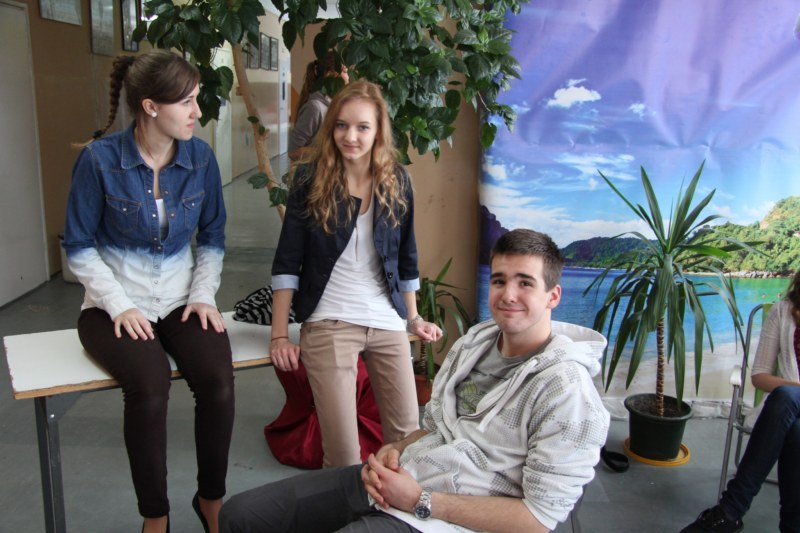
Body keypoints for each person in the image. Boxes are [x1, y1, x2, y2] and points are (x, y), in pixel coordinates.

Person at [220, 228, 611, 532]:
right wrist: (396, 447)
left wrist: (419, 500)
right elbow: (436, 427)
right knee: (240, 515)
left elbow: (538, 519)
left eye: (525, 282)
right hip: (404, 476)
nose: (508, 294)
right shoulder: (475, 344)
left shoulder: (568, 393)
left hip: (446, 515)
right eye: (499, 280)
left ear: (553, 296)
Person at [62, 50, 234, 533]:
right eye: (187, 102)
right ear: (151, 107)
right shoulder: (99, 161)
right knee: (150, 386)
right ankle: (155, 516)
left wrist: (202, 295)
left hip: (181, 300)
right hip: (111, 306)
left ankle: (211, 499)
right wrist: (119, 306)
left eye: (196, 99)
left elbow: (213, 238)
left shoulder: (200, 159)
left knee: (218, 382)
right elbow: (78, 246)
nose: (197, 112)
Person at [268, 79, 441, 468]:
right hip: (329, 320)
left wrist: (413, 317)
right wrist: (279, 335)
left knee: (406, 445)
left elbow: (407, 256)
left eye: (363, 127)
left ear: (379, 131)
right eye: (342, 125)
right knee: (344, 457)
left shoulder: (397, 180)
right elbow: (286, 263)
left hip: (385, 320)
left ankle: (390, 507)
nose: (350, 136)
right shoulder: (309, 179)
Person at [682, 271, 800, 533]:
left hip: (784, 407)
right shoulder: (782, 312)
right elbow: (760, 376)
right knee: (792, 420)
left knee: (787, 401)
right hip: (786, 411)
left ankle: (730, 510)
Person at [288, 51, 349, 161]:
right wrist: (329, 152)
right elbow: (293, 152)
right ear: (330, 74)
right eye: (345, 71)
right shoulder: (314, 108)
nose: (348, 77)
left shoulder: (336, 105)